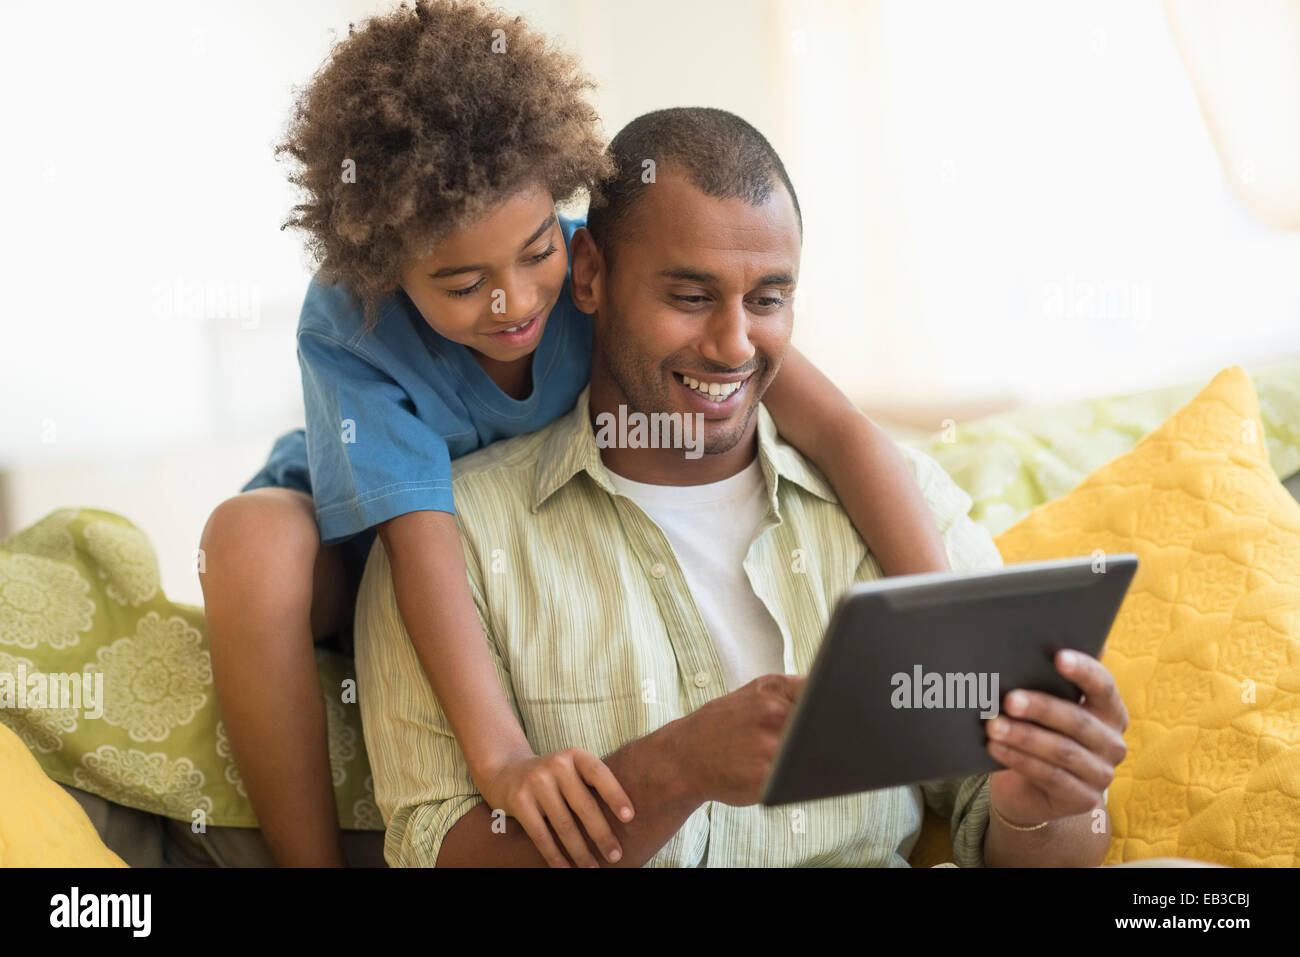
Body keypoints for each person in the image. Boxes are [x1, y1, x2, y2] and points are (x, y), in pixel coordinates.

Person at [197, 2, 963, 867]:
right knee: (248, 540)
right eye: (460, 284)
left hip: (475, 518)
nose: (516, 303)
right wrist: (502, 760)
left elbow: (841, 429)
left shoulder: (604, 275)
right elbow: (420, 544)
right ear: (383, 267)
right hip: (367, 531)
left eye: (536, 254)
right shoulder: (353, 323)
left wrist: (945, 622)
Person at [353, 107, 1129, 867]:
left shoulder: (896, 503)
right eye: (689, 298)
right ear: (588, 274)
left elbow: (1033, 839)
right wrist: (673, 768)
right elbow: (442, 850)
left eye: (768, 300)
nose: (733, 346)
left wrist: (1048, 806)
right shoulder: (453, 544)